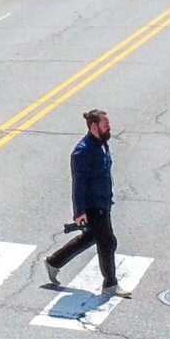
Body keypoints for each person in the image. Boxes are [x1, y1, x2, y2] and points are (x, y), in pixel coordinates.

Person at [44, 109, 119, 293]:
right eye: (105, 125)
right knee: (108, 242)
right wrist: (79, 212)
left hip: (103, 202)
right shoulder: (83, 151)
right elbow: (78, 184)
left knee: (92, 237)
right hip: (93, 205)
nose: (109, 128)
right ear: (94, 127)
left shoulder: (101, 144)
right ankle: (110, 284)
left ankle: (54, 262)